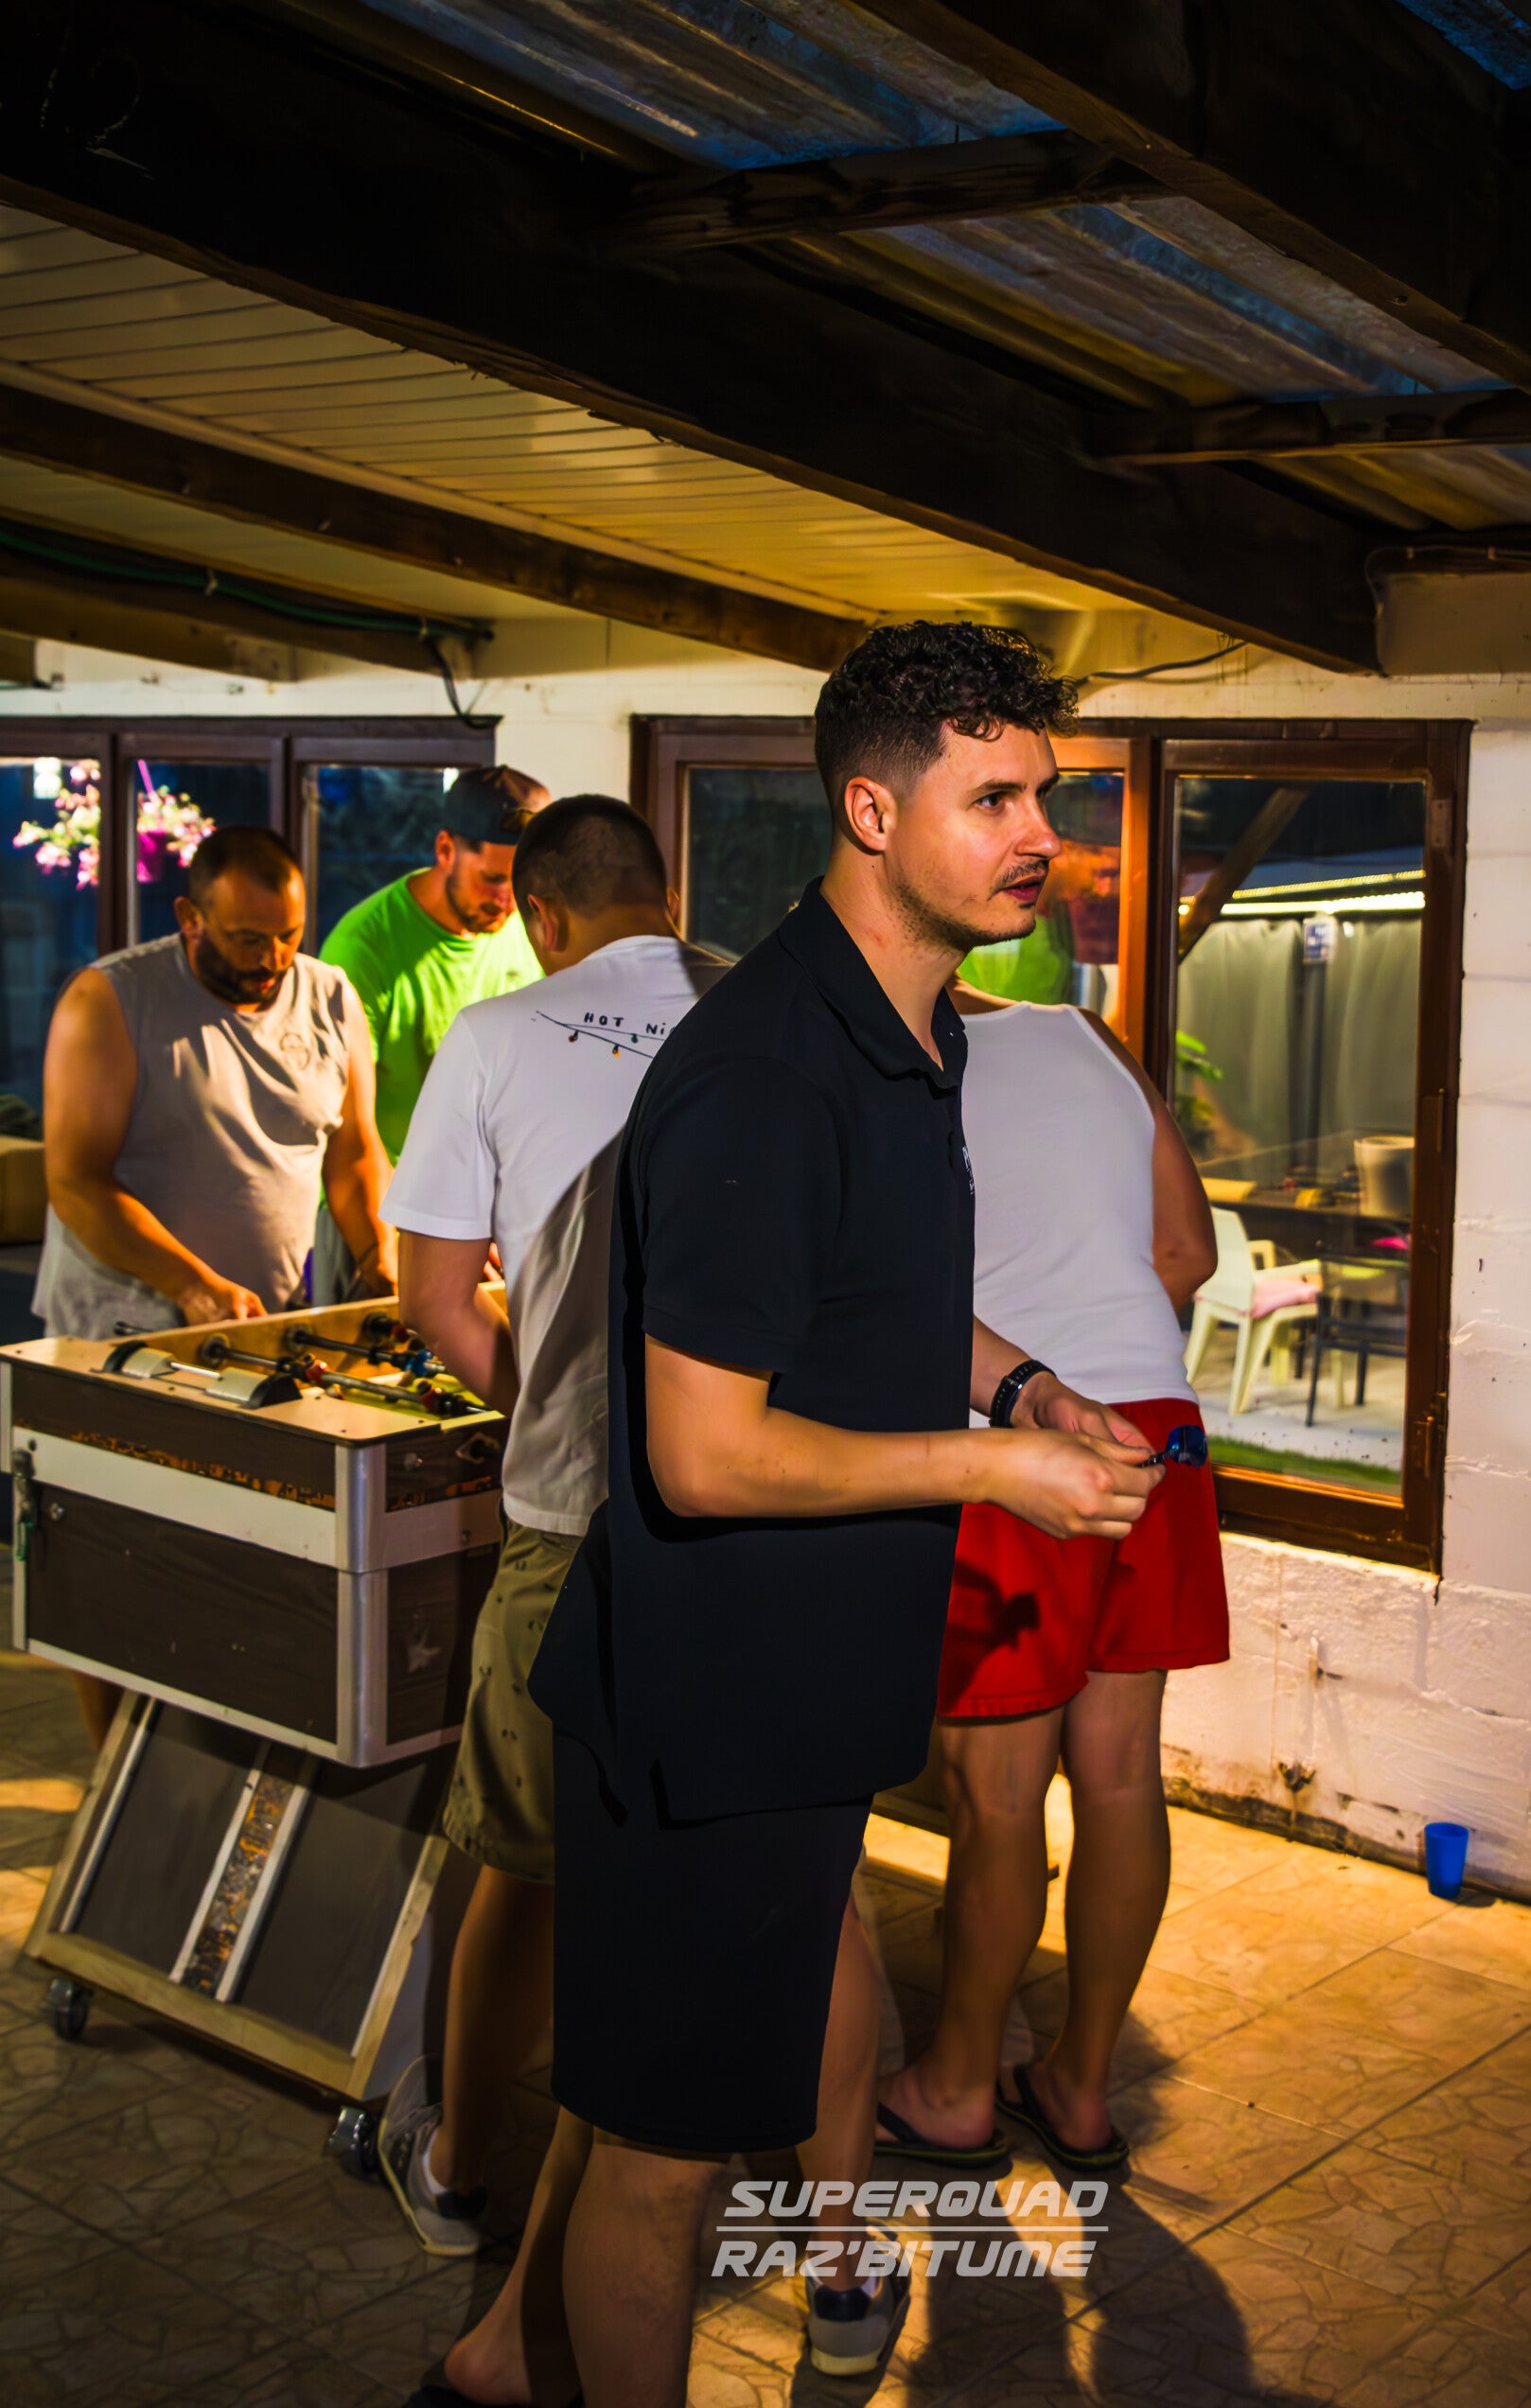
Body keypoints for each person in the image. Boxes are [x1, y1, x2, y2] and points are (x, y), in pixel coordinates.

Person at [527, 622, 1164, 2408]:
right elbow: (703, 1455)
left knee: (775, 2058)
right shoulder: (769, 1068)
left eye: (1044, 795)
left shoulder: (909, 1031)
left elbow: (871, 1296)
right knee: (663, 2164)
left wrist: (1023, 1390)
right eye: (995, 800)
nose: (1040, 836)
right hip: (705, 1713)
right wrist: (996, 1471)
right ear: (873, 813)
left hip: (805, 1700)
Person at [373, 800, 719, 2381]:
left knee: (519, 1860)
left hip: (573, 1517)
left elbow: (434, 1294)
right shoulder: (766, 1013)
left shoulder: (501, 1033)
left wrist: (549, 1399)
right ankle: (802, 2230)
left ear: (539, 916)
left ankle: (459, 2171)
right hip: (752, 1524)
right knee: (736, 1878)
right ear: (668, 894)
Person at [876, 984, 1226, 2178]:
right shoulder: (1084, 1034)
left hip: (1016, 1438)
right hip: (1160, 1421)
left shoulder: (884, 1050)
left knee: (1000, 1792)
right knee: (1122, 1775)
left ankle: (956, 2089)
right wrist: (1108, 1353)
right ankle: (1078, 2087)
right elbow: (1185, 1252)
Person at [35, 822, 394, 1742]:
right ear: (190, 917)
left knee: (222, 1563)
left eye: (288, 935)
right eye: (245, 938)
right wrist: (190, 1282)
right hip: (117, 1331)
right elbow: (75, 1181)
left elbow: (356, 1155)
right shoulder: (110, 1000)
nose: (270, 959)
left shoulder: (330, 995)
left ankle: (194, 1766)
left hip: (259, 1330)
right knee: (107, 1568)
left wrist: (383, 1255)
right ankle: (115, 1776)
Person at [315, 769, 550, 1300]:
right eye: (492, 879)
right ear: (445, 849)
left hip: (485, 1220)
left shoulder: (526, 932)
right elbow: (349, 1133)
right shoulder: (364, 948)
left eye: (522, 884)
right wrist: (420, 1234)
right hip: (379, 1214)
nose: (508, 900)